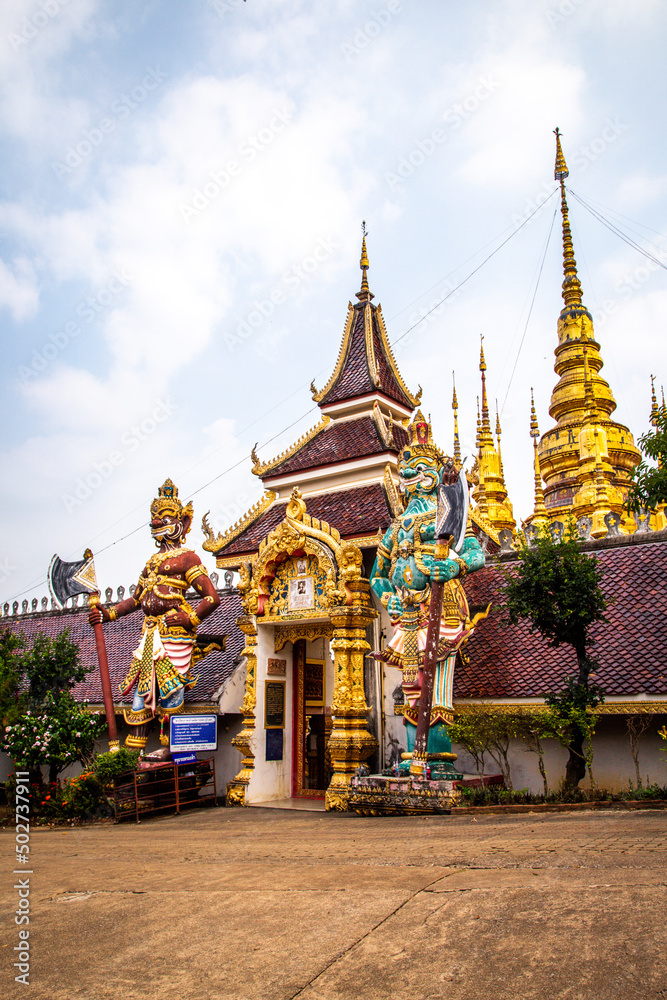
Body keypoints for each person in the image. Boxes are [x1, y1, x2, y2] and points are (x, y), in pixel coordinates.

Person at [370, 413, 485, 757]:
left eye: (421, 471)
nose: (411, 478)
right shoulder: (396, 527)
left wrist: (453, 564)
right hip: (406, 615)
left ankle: (436, 757)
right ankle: (411, 756)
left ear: (436, 477)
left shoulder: (448, 514)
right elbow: (377, 574)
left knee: (437, 689)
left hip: (443, 609)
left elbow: (477, 554)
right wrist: (387, 597)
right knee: (410, 687)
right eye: (406, 472)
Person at [88, 479, 220, 749]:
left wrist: (190, 618)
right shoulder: (151, 562)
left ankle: (171, 751)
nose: (158, 521)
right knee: (141, 695)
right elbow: (136, 600)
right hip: (150, 634)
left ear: (181, 523)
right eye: (155, 517)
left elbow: (211, 598)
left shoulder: (187, 559)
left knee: (171, 691)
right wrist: (108, 613)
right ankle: (132, 756)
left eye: (166, 517)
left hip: (175, 635)